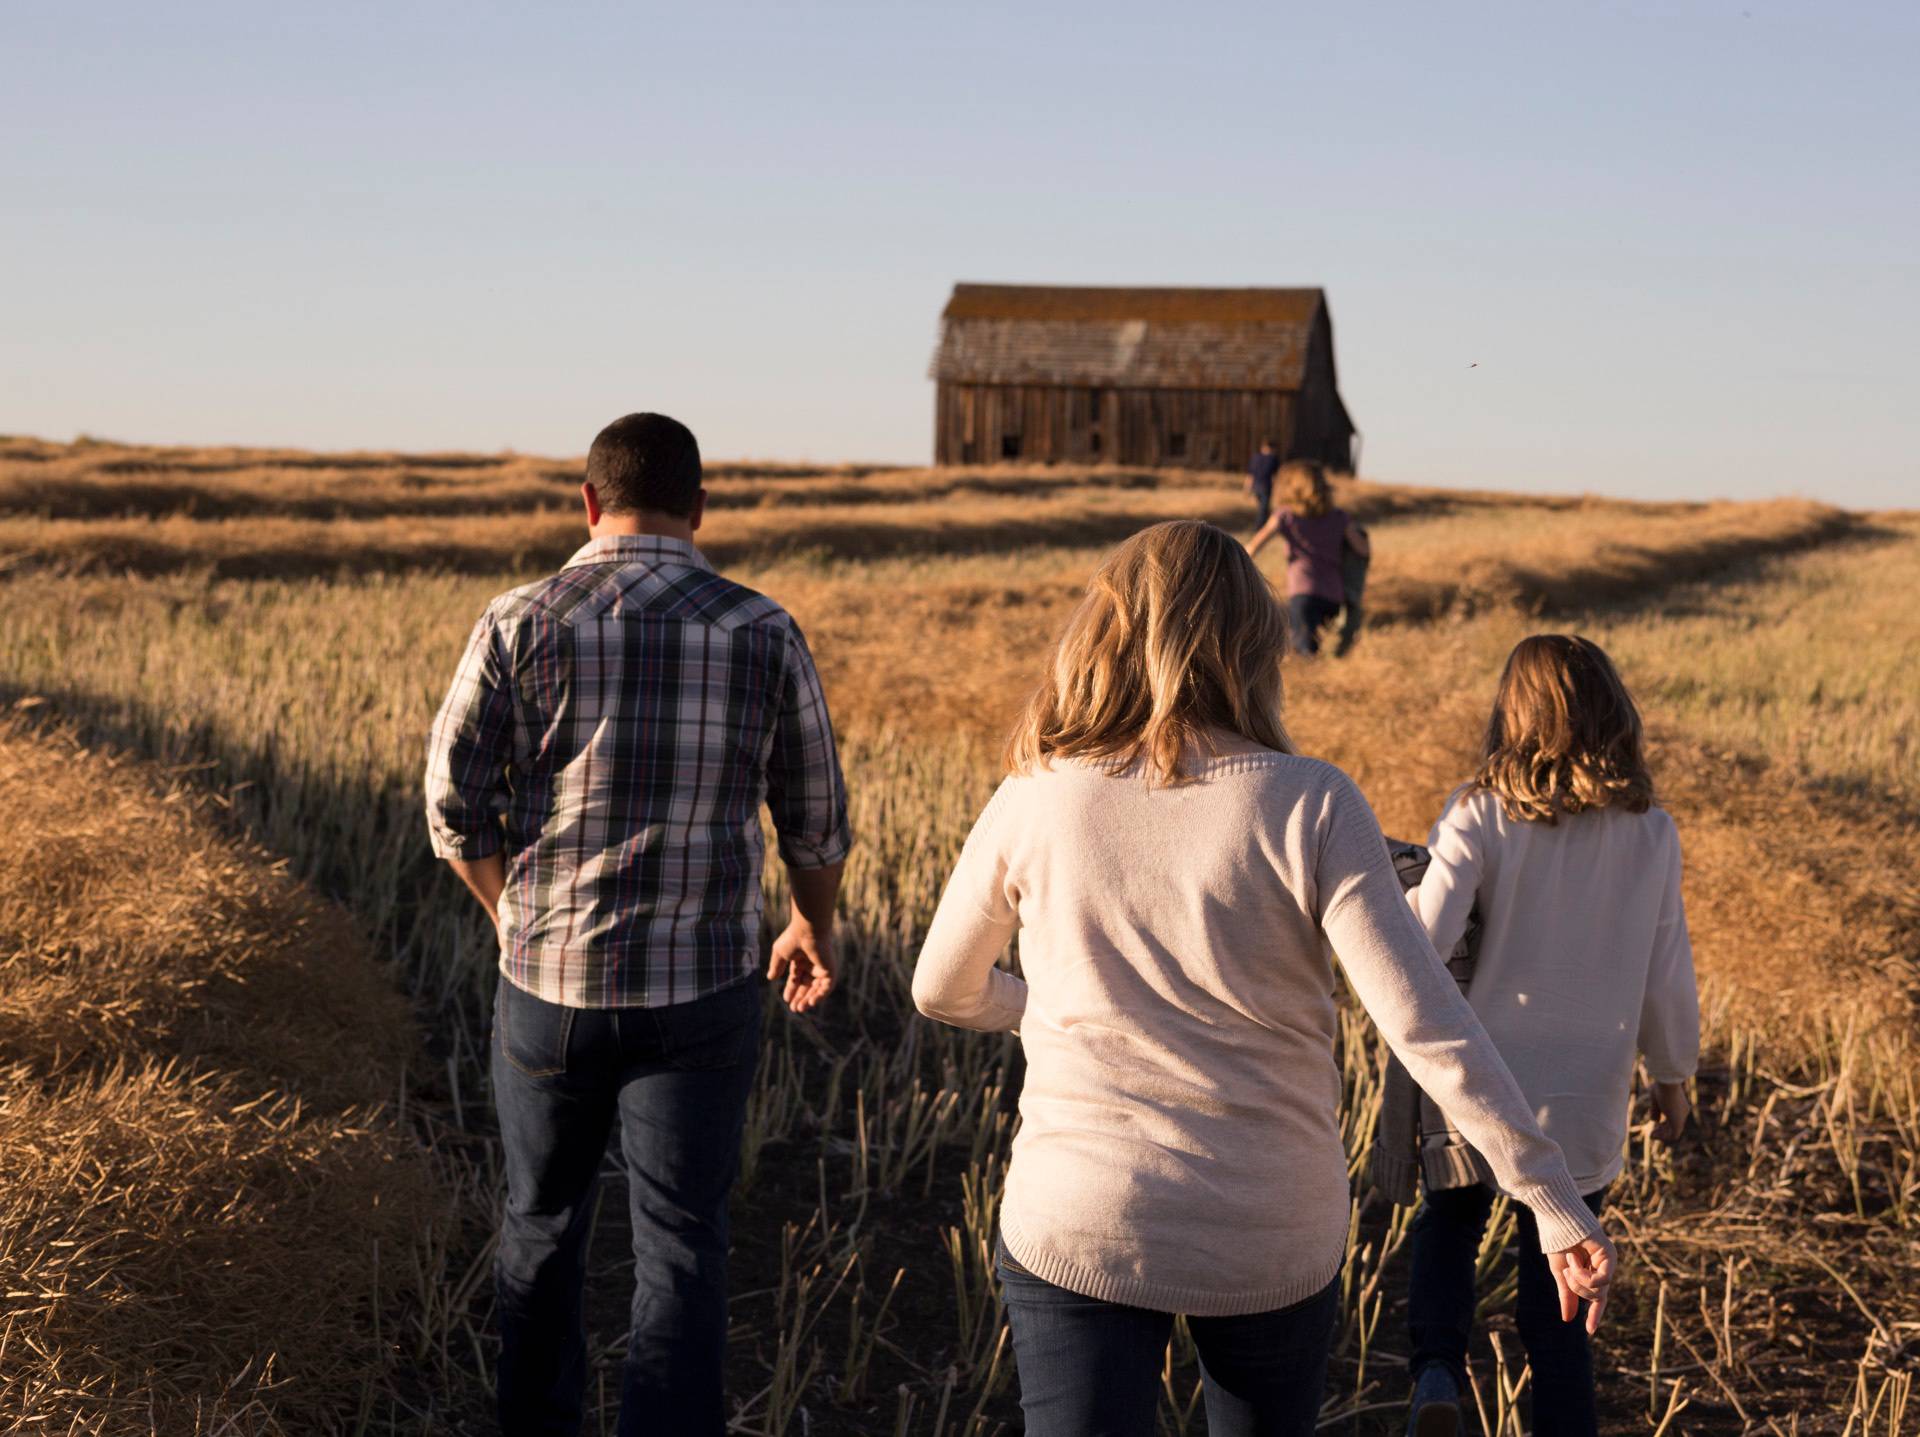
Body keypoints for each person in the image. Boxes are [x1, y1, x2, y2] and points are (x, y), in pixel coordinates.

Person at [910, 522, 1616, 1437]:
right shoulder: (1314, 801)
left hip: (1080, 1218)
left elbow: (942, 987)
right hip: (1269, 1232)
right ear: (1255, 640)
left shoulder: (1035, 793)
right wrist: (1550, 1200)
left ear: (1105, 632)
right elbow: (1423, 1022)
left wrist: (1053, 1009)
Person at [424, 412, 852, 1437]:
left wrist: (507, 916)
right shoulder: (761, 628)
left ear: (587, 502)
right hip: (701, 994)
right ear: (700, 508)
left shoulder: (517, 618)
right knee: (683, 1241)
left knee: (540, 1225)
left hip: (548, 990)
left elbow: (452, 806)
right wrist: (810, 925)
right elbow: (816, 819)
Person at [1401, 635, 1698, 1437]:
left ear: (1513, 714)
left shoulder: (1479, 813)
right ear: (1617, 715)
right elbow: (1667, 969)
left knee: (1450, 1223)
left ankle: (1434, 1368)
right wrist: (1672, 1075)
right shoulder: (1652, 832)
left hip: (1484, 1082)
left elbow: (1424, 941)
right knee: (1561, 1295)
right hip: (1588, 1091)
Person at [1245, 459, 1369, 656]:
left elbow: (1253, 546)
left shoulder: (1285, 516)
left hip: (1303, 591)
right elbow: (1363, 550)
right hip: (1334, 595)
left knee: (1303, 653)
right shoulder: (1339, 517)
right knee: (1324, 650)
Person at [1246, 439, 1281, 526]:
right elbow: (1274, 476)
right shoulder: (1273, 459)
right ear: (1272, 448)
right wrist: (1277, 488)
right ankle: (1258, 527)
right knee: (1263, 509)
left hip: (1255, 486)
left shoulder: (1255, 458)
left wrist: (1247, 488)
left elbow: (1250, 475)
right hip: (1266, 486)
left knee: (1262, 508)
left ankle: (1264, 524)